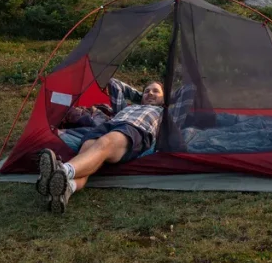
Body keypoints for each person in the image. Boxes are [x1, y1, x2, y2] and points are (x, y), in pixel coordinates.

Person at [36, 78, 182, 213]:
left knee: (105, 143)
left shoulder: (165, 111)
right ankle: (67, 189)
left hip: (136, 129)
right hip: (108, 125)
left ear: (165, 97)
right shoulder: (126, 107)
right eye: (147, 91)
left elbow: (188, 91)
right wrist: (140, 97)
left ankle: (61, 170)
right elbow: (114, 84)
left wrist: (165, 99)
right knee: (85, 156)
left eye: (155, 91)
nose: (150, 93)